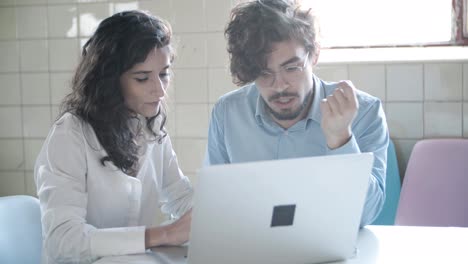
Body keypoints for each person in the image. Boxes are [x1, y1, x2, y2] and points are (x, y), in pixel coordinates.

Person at [204, 0, 389, 226]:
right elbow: (215, 205)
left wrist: (340, 139)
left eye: (291, 68)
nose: (280, 86)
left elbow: (365, 216)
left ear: (314, 55)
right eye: (264, 73)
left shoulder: (364, 112)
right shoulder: (227, 113)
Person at [34, 10, 193, 264]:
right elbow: (62, 241)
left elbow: (181, 197)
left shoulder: (151, 127)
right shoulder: (70, 135)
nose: (160, 90)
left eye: (164, 73)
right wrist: (162, 234)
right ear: (110, 82)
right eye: (142, 78)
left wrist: (219, 216)